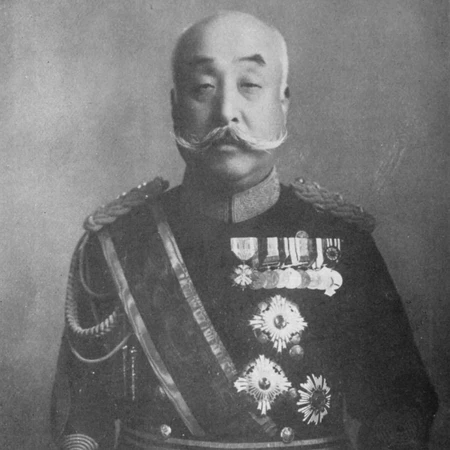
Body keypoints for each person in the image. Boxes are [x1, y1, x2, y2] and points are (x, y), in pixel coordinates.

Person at [51, 11, 438, 450]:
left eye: (250, 85)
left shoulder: (342, 243)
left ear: (283, 102)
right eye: (203, 88)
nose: (226, 112)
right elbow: (82, 419)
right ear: (175, 105)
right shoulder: (118, 243)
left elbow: (399, 405)